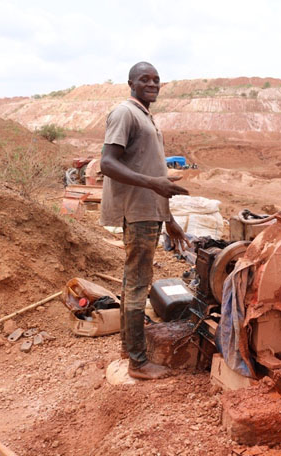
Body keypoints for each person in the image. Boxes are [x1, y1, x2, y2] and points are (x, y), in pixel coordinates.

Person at [100, 61, 190, 380]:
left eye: (156, 79)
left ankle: (129, 347)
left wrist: (170, 220)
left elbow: (157, 174)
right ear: (130, 82)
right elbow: (107, 163)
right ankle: (138, 362)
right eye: (144, 79)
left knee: (133, 281)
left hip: (150, 212)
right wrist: (153, 185)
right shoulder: (125, 113)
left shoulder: (146, 116)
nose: (152, 83)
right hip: (137, 212)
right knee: (137, 282)